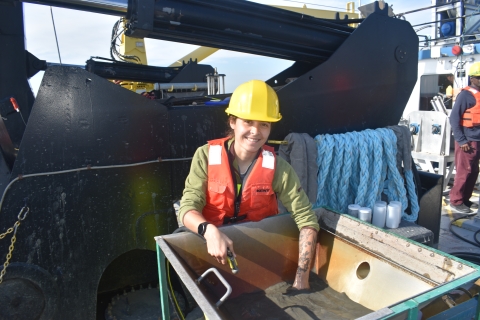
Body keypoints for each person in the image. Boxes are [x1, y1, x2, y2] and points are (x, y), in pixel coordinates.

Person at [178, 80, 320, 292]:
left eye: (264, 124)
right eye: (248, 122)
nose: (256, 131)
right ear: (233, 122)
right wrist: (209, 231)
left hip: (258, 248)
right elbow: (187, 209)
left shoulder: (278, 167)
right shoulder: (205, 156)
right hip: (210, 243)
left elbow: (307, 220)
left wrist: (302, 277)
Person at [449, 64, 480, 213]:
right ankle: (456, 201)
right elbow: (454, 118)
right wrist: (461, 141)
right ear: (472, 78)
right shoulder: (465, 95)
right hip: (467, 140)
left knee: (474, 171)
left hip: (477, 140)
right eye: (479, 77)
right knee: (463, 171)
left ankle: (465, 199)